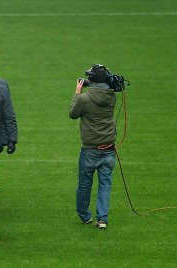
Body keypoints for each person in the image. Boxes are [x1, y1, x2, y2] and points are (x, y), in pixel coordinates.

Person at [69, 64, 117, 229]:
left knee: (84, 184)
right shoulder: (111, 98)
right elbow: (108, 88)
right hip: (109, 148)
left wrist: (77, 91)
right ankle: (102, 219)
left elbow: (73, 114)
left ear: (91, 80)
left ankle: (85, 215)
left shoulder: (84, 99)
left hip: (90, 149)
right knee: (105, 184)